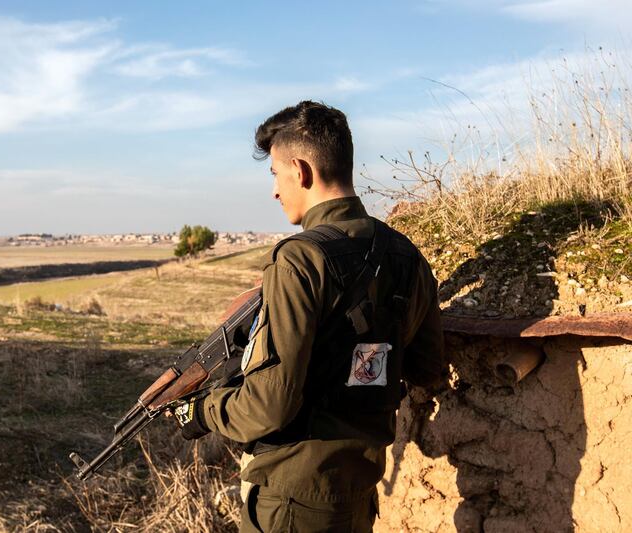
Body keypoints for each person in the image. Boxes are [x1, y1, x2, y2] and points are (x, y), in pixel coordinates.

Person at [174, 100, 446, 532]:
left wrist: (202, 410)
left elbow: (270, 405)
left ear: (300, 171)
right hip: (358, 494)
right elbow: (428, 368)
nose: (275, 192)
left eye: (275, 176)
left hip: (291, 503)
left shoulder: (299, 259)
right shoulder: (406, 255)